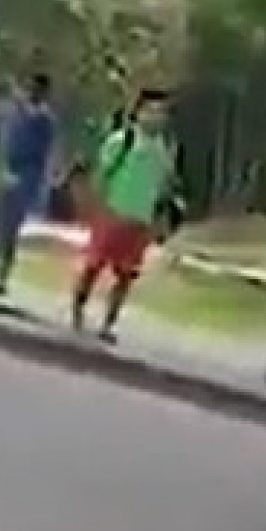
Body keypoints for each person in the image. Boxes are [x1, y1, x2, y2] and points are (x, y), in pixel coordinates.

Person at [70, 88, 176, 342]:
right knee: (94, 266)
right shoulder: (122, 141)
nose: (155, 117)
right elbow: (102, 175)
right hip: (113, 214)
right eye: (150, 111)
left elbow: (163, 187)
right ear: (137, 113)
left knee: (126, 275)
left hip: (140, 221)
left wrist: (158, 221)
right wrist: (97, 205)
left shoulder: (165, 150)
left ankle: (108, 323)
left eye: (161, 113)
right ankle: (78, 310)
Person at [0, 71, 58, 293]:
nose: (31, 92)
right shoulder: (17, 114)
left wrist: (39, 182)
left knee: (9, 228)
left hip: (25, 177)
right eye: (29, 87)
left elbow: (43, 154)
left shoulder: (43, 120)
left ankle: (1, 276)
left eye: (36, 89)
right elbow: (5, 139)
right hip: (5, 170)